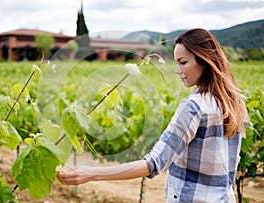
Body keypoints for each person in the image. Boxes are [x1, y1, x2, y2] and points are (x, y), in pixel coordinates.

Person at [56, 28, 248, 202]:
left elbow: (153, 163)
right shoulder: (235, 102)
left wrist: (92, 173)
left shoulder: (193, 107)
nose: (177, 70)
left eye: (183, 62)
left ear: (205, 61)